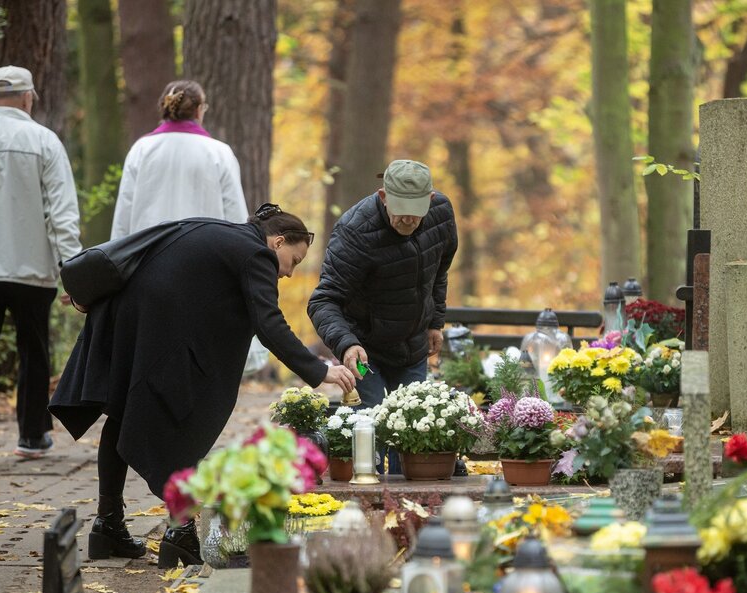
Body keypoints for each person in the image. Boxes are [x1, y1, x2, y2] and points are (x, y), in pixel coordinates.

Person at [49, 205, 356, 567]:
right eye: (293, 259)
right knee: (181, 420)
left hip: (127, 320)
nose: (289, 273)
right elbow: (268, 323)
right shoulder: (256, 254)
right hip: (152, 328)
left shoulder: (213, 228)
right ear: (277, 242)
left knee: (122, 414)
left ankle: (108, 525)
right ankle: (178, 531)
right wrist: (319, 371)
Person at [308, 159, 458, 473]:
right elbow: (323, 301)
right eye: (399, 209)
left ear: (430, 201)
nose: (407, 219)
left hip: (413, 345)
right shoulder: (355, 231)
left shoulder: (441, 215)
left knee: (412, 438)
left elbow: (438, 271)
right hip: (365, 349)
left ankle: (408, 516)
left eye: (415, 212)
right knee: (370, 432)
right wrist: (347, 345)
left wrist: (435, 322)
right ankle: (369, 511)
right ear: (382, 196)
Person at [0, 65, 83, 459]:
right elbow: (62, 213)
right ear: (28, 97)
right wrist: (75, 274)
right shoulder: (43, 140)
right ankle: (32, 437)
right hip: (32, 269)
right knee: (34, 350)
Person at [110, 79, 248, 239]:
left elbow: (123, 215)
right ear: (198, 111)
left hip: (149, 256)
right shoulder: (219, 153)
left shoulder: (141, 150)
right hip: (204, 254)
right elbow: (235, 214)